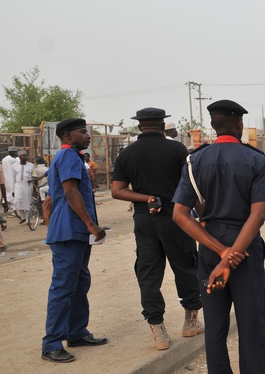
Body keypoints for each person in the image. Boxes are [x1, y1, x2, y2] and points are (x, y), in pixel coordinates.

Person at [171, 99, 265, 373]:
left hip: (209, 245)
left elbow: (180, 215)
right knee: (251, 325)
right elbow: (258, 216)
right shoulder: (255, 159)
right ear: (239, 124)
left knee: (215, 327)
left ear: (213, 126)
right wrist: (231, 256)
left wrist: (220, 254)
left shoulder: (195, 161)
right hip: (246, 247)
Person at [111, 107, 204, 351]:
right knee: (186, 266)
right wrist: (205, 219)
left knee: (148, 273)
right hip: (177, 217)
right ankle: (190, 322)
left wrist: (145, 198)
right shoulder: (177, 149)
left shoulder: (127, 154)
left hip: (144, 220)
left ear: (140, 126)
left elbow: (117, 191)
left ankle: (158, 330)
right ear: (163, 126)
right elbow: (191, 188)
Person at [42, 118, 108, 363]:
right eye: (83, 132)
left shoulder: (70, 157)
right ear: (68, 136)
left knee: (80, 283)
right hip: (70, 231)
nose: (88, 136)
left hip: (74, 231)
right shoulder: (69, 156)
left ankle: (77, 332)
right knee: (63, 287)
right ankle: (51, 344)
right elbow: (69, 192)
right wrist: (91, 225)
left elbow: (49, 200)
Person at [13, 150, 33, 223]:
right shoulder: (15, 166)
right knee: (18, 201)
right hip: (18, 185)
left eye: (26, 155)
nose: (25, 157)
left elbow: (33, 176)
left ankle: (28, 219)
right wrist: (13, 189)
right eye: (23, 155)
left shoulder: (31, 165)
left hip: (28, 186)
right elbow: (13, 177)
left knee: (27, 202)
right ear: (19, 157)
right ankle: (23, 216)